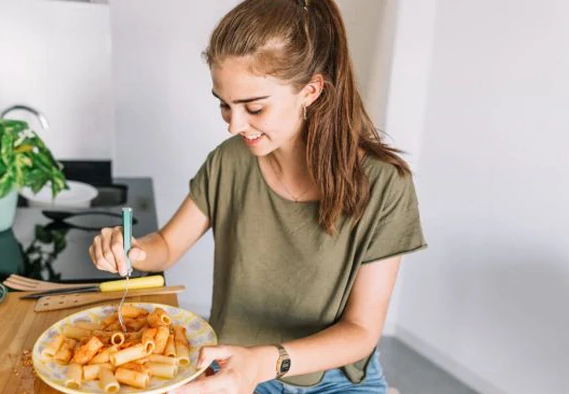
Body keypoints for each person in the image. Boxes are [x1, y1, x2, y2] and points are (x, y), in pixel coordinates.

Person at [88, 0, 426, 392]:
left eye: (254, 107)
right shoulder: (230, 162)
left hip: (335, 379)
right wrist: (129, 249)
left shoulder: (386, 186)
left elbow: (361, 331)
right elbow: (165, 245)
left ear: (311, 91)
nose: (235, 126)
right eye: (224, 105)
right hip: (232, 365)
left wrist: (266, 363)